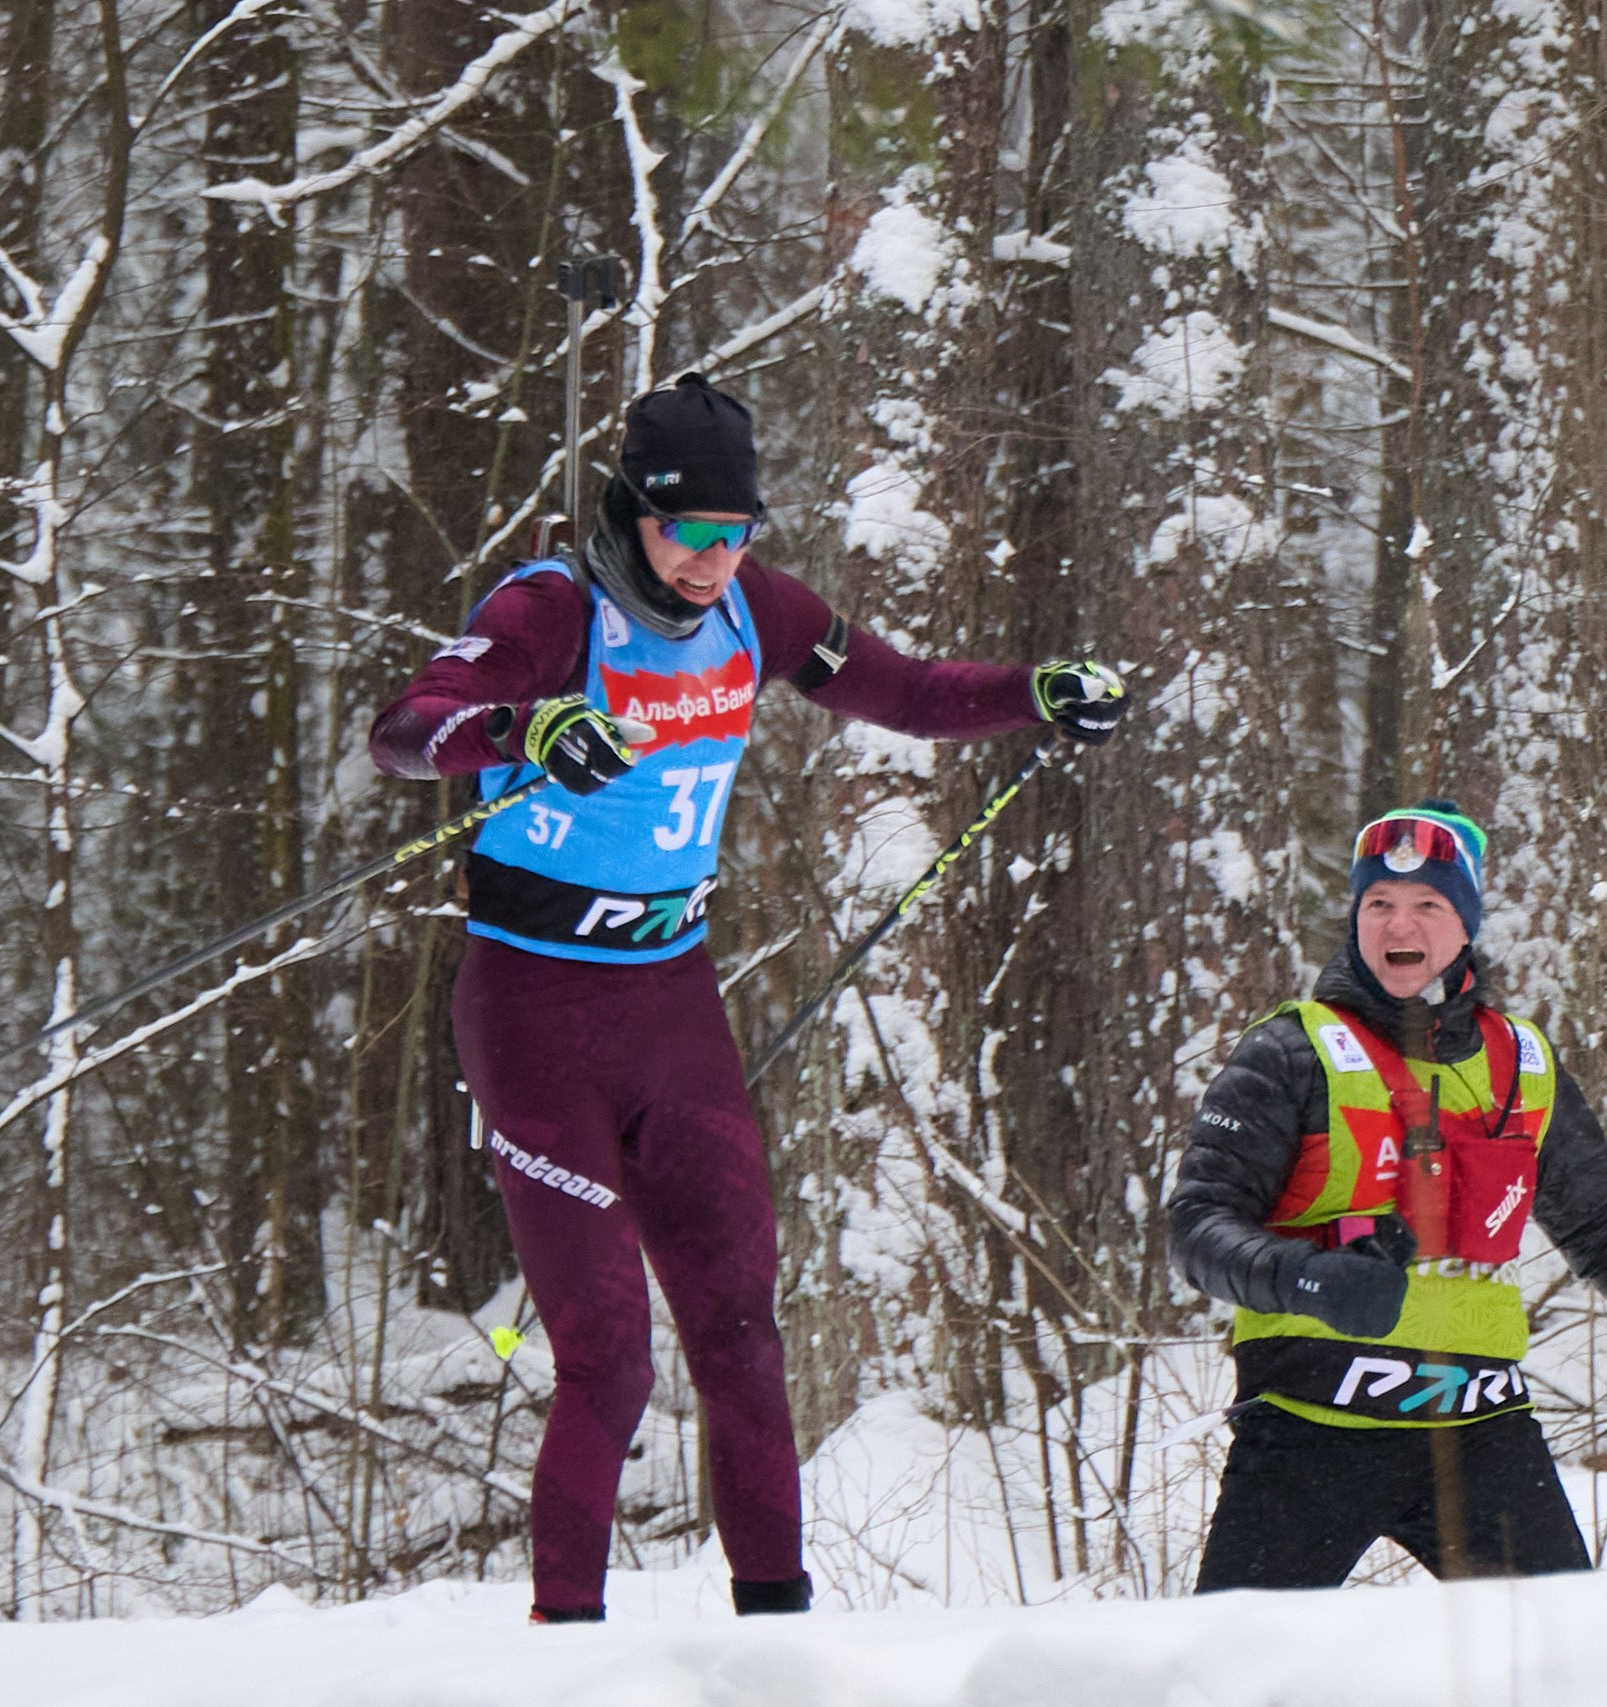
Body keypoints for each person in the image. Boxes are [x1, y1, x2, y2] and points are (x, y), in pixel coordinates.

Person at [369, 372, 1128, 1622]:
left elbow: (904, 690)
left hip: (672, 1006)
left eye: (739, 535)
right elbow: (406, 727)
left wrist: (1032, 693)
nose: (717, 561)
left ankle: (776, 1644)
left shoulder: (757, 613)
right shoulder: (551, 608)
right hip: (534, 1014)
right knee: (606, 1364)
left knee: (740, 1335)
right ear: (633, 515)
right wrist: (524, 729)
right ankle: (564, 1652)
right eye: (692, 534)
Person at [1166, 800, 1607, 1590]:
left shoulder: (1524, 1061)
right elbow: (1198, 1225)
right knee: (1229, 1680)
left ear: (1465, 923)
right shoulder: (1291, 1050)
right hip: (1310, 1434)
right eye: (1377, 902)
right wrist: (1307, 1278)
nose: (1396, 924)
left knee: (1566, 1675)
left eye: (1426, 904)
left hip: (1480, 1436)